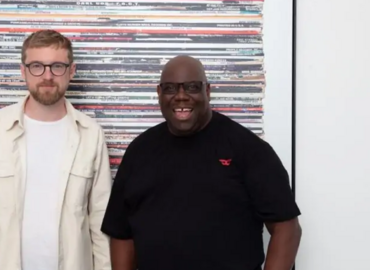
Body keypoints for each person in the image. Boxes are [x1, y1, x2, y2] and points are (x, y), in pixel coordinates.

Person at [101, 55, 302, 270]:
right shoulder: (139, 151)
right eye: (170, 88)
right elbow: (122, 233)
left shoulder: (247, 148)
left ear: (207, 91)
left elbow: (287, 228)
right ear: (159, 93)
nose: (181, 97)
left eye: (192, 87)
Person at [0, 30, 112, 270]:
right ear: (23, 71)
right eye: (36, 66)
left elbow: (101, 221)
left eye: (57, 66)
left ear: (71, 71)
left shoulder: (91, 134)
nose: (47, 76)